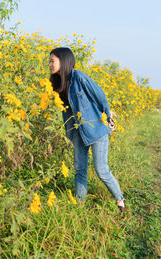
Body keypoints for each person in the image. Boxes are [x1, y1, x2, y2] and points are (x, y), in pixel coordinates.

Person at [48, 47, 125, 212]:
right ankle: (80, 205)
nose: (50, 64)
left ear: (64, 60)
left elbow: (99, 95)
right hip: (77, 132)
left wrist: (108, 115)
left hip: (95, 129)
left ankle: (119, 199)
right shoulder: (58, 83)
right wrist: (68, 134)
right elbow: (66, 112)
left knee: (101, 170)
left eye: (52, 61)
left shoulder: (80, 78)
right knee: (80, 169)